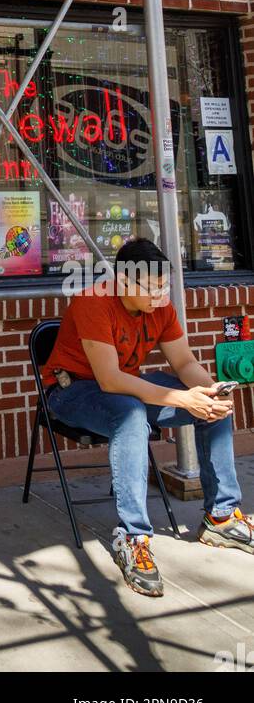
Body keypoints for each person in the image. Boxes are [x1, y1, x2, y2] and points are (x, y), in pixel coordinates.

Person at [41, 236, 253, 597]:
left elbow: (184, 362)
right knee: (132, 415)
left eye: (164, 286)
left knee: (211, 407)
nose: (160, 296)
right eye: (152, 288)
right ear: (124, 282)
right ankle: (134, 536)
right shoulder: (94, 302)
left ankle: (220, 517)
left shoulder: (161, 308)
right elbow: (109, 380)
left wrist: (208, 392)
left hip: (128, 388)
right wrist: (184, 400)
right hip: (71, 391)